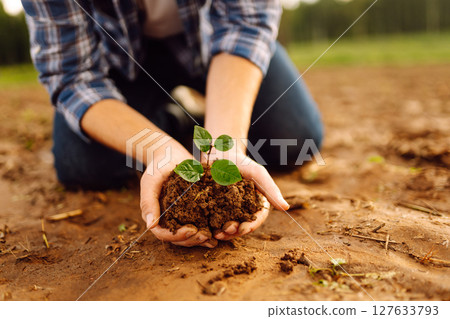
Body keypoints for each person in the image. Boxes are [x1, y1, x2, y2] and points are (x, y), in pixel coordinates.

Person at [22, 0, 323, 248]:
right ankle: (174, 120)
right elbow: (73, 76)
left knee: (294, 138)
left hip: (214, 45)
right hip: (118, 63)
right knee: (84, 164)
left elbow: (245, 25)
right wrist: (158, 149)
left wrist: (226, 146)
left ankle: (201, 118)